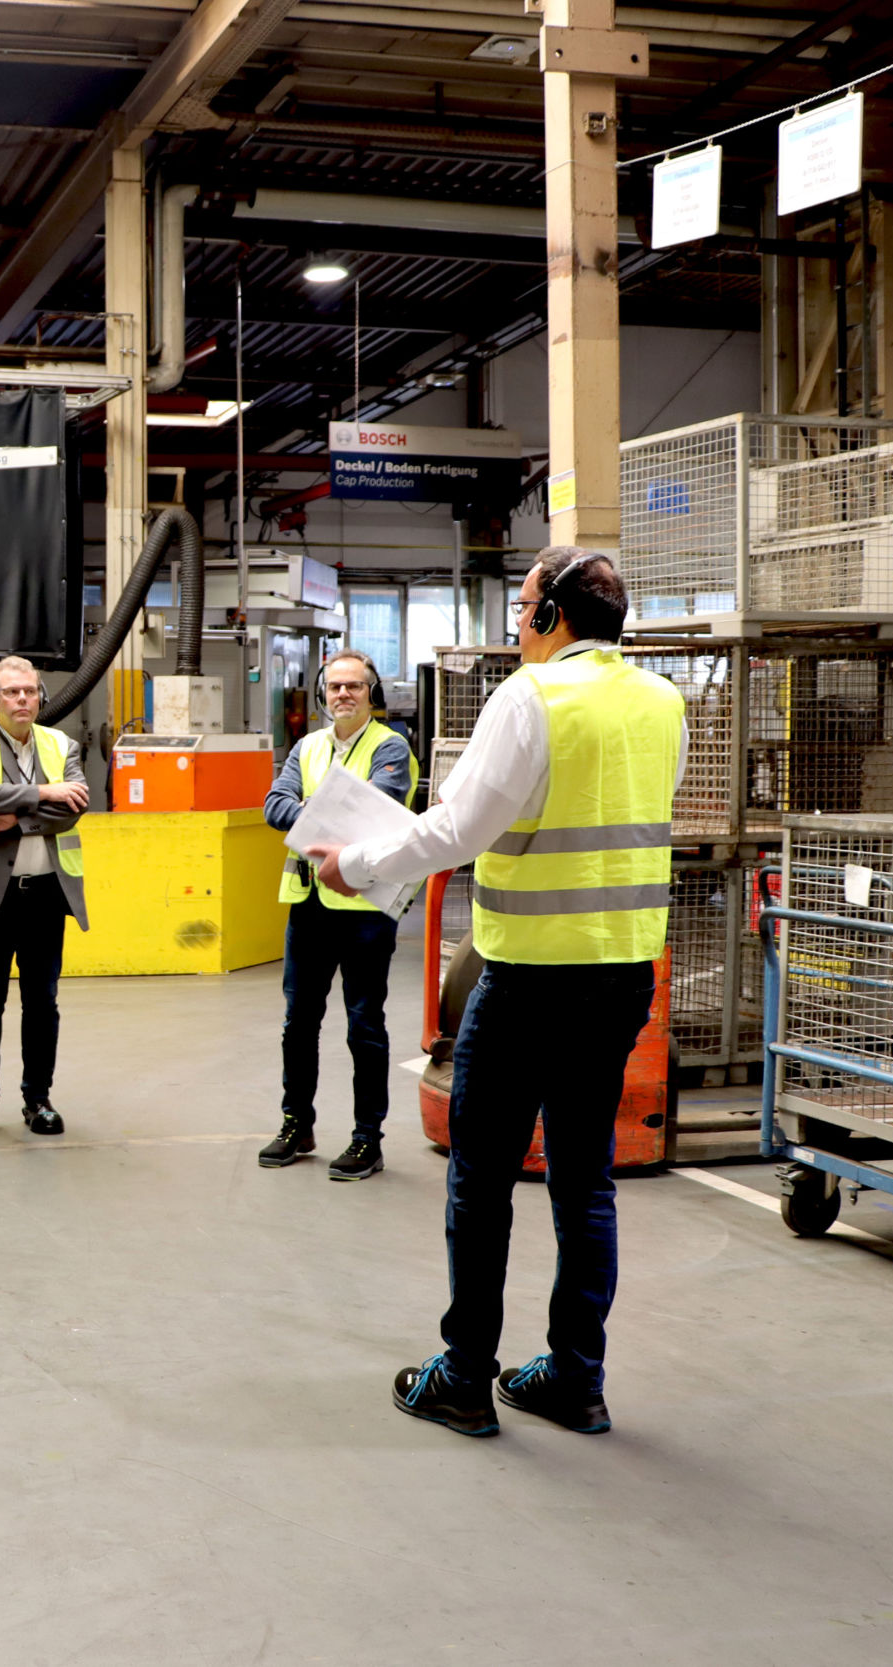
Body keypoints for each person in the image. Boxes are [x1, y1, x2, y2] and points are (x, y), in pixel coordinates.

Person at [302, 547, 686, 1440]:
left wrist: (355, 864)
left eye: (522, 606)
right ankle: (576, 1379)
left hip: (528, 980)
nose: (518, 624)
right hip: (623, 972)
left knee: (480, 1178)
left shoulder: (532, 694)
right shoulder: (662, 700)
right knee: (584, 1179)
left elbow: (459, 827)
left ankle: (467, 1376)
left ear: (551, 614)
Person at [258, 648, 418, 1180]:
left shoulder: (391, 747)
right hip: (308, 907)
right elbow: (273, 805)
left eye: (354, 686)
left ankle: (366, 1138)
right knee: (297, 1023)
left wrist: (308, 817)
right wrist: (319, 815)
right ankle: (295, 1124)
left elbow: (375, 810)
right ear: (324, 694)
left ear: (371, 693)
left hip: (364, 909)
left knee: (363, 1024)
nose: (343, 694)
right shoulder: (305, 747)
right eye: (334, 687)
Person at [0, 655, 89, 1138]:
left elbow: (76, 806)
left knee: (42, 1003)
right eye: (11, 692)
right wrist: (47, 793)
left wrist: (20, 816)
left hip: (47, 894)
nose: (22, 699)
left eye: (29, 691)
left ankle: (38, 1099)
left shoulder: (61, 742)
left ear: (41, 696)